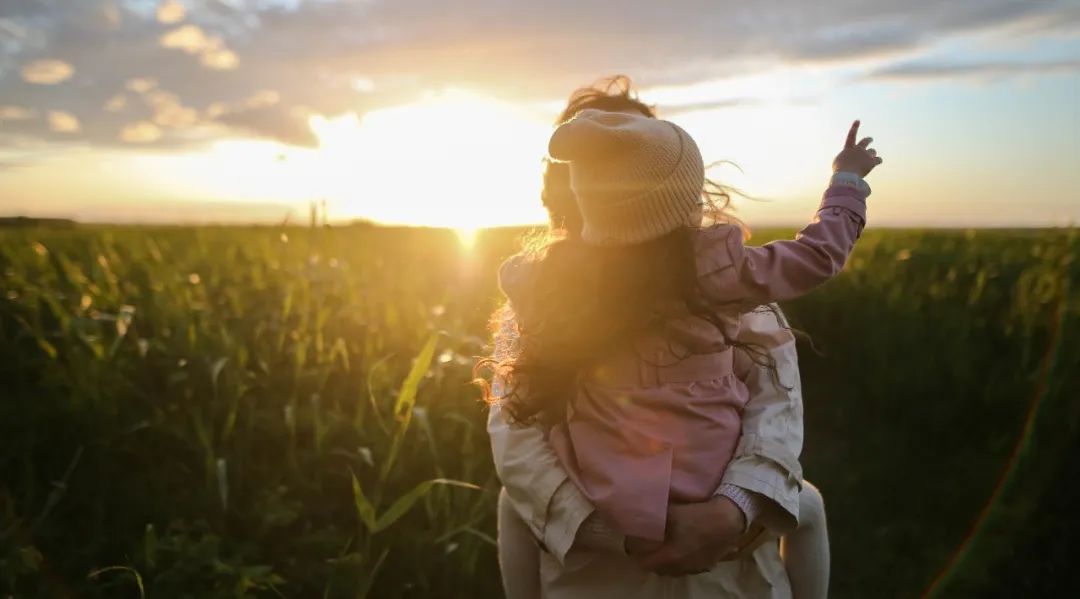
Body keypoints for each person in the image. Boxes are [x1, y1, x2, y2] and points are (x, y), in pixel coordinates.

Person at [485, 77, 877, 598]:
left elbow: (775, 408)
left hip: (721, 559)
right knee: (808, 504)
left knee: (808, 504)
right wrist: (846, 183)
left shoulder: (548, 285)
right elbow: (517, 436)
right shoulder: (721, 276)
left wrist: (732, 509)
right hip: (599, 565)